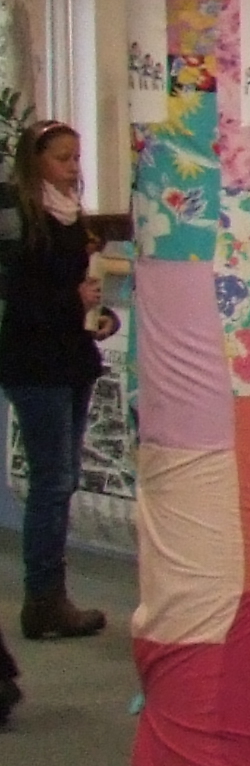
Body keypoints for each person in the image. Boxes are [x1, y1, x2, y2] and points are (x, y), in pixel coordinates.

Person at [2, 121, 108, 646]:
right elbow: (22, 302)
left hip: (72, 359)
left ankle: (50, 595)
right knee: (52, 480)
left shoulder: (72, 216)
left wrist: (98, 316)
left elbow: (78, 291)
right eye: (61, 158)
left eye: (76, 158)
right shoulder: (22, 220)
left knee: (62, 480)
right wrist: (73, 301)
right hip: (35, 365)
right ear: (35, 162)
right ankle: (43, 597)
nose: (72, 168)